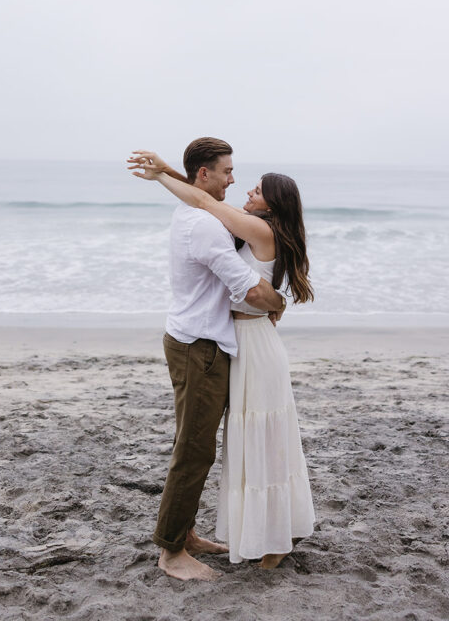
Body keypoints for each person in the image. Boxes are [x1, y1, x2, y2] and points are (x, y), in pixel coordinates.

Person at [128, 145, 315, 571]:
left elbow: (203, 196)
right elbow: (203, 196)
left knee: (255, 441)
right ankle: (177, 544)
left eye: (256, 188)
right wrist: (277, 302)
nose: (239, 184)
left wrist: (275, 302)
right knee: (208, 446)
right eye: (228, 172)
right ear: (204, 173)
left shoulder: (250, 227)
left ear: (273, 205)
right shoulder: (220, 223)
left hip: (246, 344)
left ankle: (243, 536)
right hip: (221, 342)